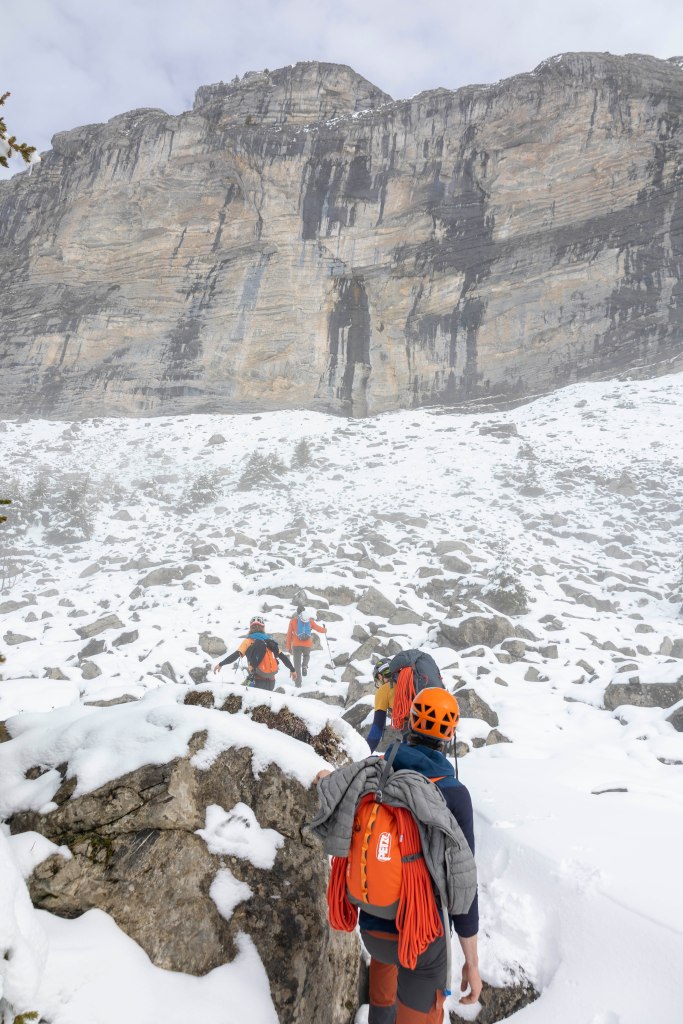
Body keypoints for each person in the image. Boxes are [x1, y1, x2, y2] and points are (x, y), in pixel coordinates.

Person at [313, 687, 481, 1023]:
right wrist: (472, 963)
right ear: (449, 733)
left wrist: (321, 776)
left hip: (373, 929)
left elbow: (329, 786)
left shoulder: (372, 772)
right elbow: (462, 886)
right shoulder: (454, 794)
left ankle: (378, 1016)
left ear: (409, 722)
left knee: (386, 971)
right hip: (422, 939)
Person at [367, 650, 444, 753]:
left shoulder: (384, 690)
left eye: (377, 682)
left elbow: (377, 729)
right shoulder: (411, 681)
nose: (378, 686)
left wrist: (364, 753)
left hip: (412, 737)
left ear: (380, 677)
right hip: (435, 735)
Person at [213, 615, 296, 690]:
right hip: (271, 681)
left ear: (251, 628)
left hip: (257, 680)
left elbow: (235, 655)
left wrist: (221, 664)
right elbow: (283, 657)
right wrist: (292, 670)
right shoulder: (270, 641)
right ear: (263, 628)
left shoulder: (248, 641)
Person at [285, 604, 327, 687]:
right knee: (307, 655)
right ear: (304, 611)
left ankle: (298, 684)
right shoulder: (310, 621)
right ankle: (304, 665)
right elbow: (318, 628)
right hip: (307, 644)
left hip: (296, 645)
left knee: (296, 665)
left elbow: (289, 635)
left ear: (297, 613)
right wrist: (325, 630)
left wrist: (288, 647)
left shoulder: (293, 621)